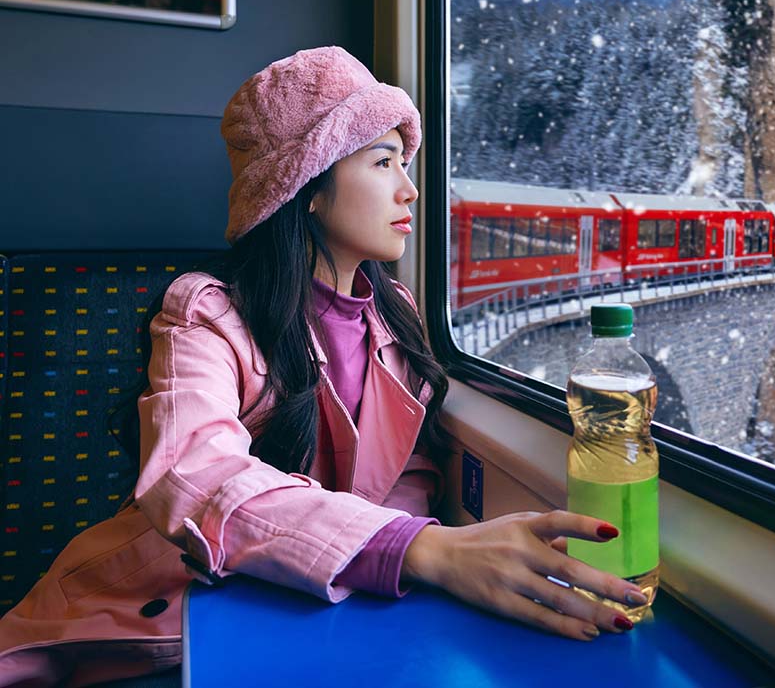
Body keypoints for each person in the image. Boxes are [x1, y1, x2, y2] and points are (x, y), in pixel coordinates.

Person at [0, 47, 646, 686]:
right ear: (305, 188)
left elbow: (405, 476)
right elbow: (194, 474)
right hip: (150, 619)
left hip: (314, 604)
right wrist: (417, 549)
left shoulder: (396, 313)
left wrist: (416, 551)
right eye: (383, 161)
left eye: (406, 162)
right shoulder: (203, 313)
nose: (409, 188)